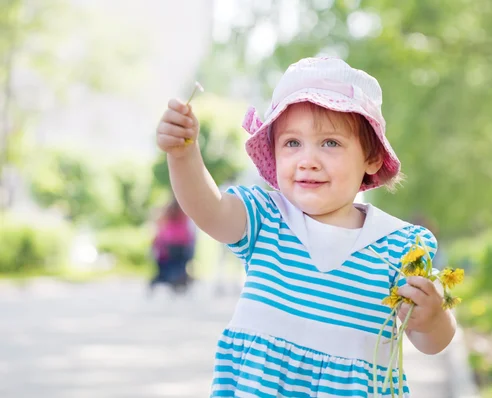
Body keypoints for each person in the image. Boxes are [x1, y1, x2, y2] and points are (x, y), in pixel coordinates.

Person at [156, 57, 456, 397]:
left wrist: (432, 320)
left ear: (371, 158)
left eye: (330, 143)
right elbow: (209, 210)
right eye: (292, 143)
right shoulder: (266, 218)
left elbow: (432, 343)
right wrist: (183, 156)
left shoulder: (398, 246)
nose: (307, 159)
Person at [150, 197, 196, 292]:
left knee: (171, 266)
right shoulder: (184, 213)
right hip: (181, 244)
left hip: (170, 244)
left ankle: (175, 280)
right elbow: (189, 231)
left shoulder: (168, 214)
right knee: (179, 265)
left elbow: (161, 230)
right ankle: (178, 281)